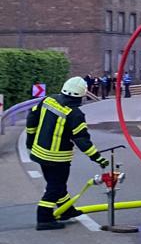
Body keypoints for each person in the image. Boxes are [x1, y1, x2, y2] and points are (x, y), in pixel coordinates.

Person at [25, 77, 109, 230]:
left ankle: (66, 210)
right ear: (81, 95)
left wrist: (30, 140)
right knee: (55, 186)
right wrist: (98, 158)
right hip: (57, 158)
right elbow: (82, 140)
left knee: (58, 184)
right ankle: (44, 218)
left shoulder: (48, 100)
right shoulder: (75, 114)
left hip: (40, 153)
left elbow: (32, 118)